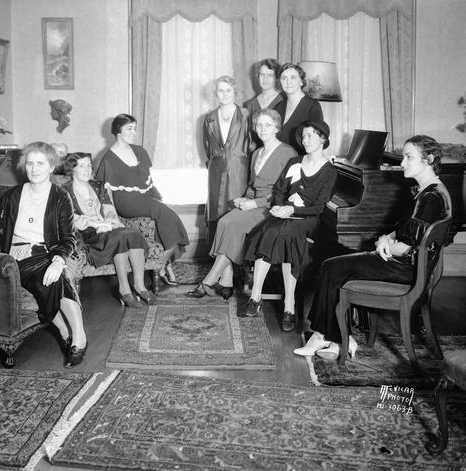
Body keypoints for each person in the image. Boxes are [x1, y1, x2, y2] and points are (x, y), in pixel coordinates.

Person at [294, 135, 452, 360]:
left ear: (429, 159)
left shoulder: (430, 198)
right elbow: (406, 230)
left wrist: (382, 245)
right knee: (337, 263)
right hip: (406, 264)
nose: (402, 163)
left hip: (405, 269)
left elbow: (407, 247)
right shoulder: (430, 190)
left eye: (409, 157)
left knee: (331, 267)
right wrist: (386, 237)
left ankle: (325, 336)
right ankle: (339, 337)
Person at [0, 141, 87, 368]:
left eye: (40, 163)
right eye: (30, 163)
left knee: (55, 275)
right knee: (51, 275)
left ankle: (75, 337)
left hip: (47, 252)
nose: (34, 168)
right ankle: (70, 333)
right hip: (16, 257)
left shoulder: (60, 197)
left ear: (51, 167)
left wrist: (58, 261)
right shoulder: (11, 196)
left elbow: (68, 237)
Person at [186, 109, 297, 300]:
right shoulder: (256, 153)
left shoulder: (287, 153)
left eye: (268, 125)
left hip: (273, 208)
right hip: (254, 203)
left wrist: (255, 203)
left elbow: (285, 192)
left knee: (232, 224)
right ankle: (226, 281)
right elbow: (253, 186)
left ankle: (209, 281)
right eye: (259, 125)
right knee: (223, 221)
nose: (262, 128)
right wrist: (245, 198)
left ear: (277, 128)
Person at [243, 120, 337, 331]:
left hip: (307, 219)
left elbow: (319, 207)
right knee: (268, 231)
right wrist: (278, 207)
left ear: (323, 139)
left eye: (311, 135)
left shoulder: (329, 171)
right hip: (284, 212)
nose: (305, 140)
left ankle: (289, 305)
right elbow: (278, 190)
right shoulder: (294, 161)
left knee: (289, 235)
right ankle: (255, 297)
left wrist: (293, 210)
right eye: (303, 136)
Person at [96, 113, 189, 286]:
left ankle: (163, 263)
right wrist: (112, 216)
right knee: (168, 215)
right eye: (129, 129)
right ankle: (161, 265)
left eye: (135, 128)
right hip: (126, 201)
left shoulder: (139, 151)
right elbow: (106, 193)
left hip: (146, 196)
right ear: (118, 131)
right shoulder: (108, 158)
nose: (134, 132)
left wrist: (157, 197)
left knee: (167, 218)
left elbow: (148, 181)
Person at [63, 152, 155, 307]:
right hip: (87, 234)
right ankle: (124, 290)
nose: (87, 170)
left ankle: (139, 286)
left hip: (107, 229)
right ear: (72, 169)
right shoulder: (64, 190)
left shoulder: (97, 186)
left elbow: (109, 208)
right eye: (81, 166)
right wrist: (91, 224)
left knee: (133, 234)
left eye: (89, 166)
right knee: (120, 237)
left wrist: (109, 220)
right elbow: (67, 218)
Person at [203, 75, 252, 239]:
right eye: (220, 90)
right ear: (215, 93)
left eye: (228, 90)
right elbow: (207, 147)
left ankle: (235, 258)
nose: (224, 94)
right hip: (216, 170)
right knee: (216, 210)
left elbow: (251, 143)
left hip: (239, 170)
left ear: (234, 92)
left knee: (235, 209)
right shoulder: (209, 118)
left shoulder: (245, 115)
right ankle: (216, 257)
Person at [274, 63, 324, 155]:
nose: (288, 82)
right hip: (279, 160)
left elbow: (316, 142)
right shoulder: (277, 107)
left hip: (300, 162)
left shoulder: (313, 106)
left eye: (293, 77)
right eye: (284, 78)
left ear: (301, 81)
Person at [243, 58, 283, 149]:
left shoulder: (283, 101)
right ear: (258, 76)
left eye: (270, 75)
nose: (265, 79)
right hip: (256, 153)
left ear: (276, 78)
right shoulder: (249, 105)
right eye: (262, 75)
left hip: (277, 151)